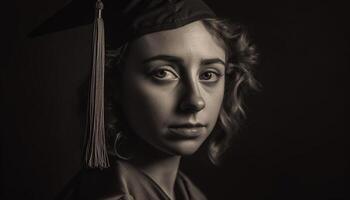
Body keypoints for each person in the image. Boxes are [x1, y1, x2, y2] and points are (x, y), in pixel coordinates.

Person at [30, 0, 258, 199]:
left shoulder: (188, 192)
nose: (195, 101)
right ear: (113, 83)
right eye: (163, 73)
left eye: (208, 74)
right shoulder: (112, 195)